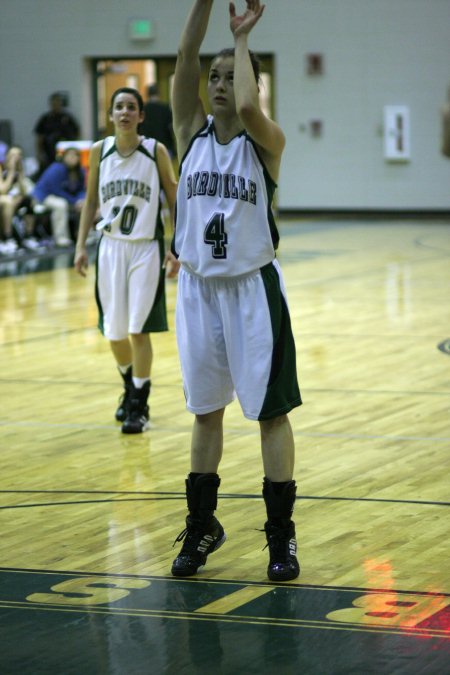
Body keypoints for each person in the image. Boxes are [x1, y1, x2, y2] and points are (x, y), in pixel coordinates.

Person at [170, 0, 302, 582]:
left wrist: (243, 39)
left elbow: (249, 105)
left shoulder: (265, 141)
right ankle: (202, 527)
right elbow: (183, 60)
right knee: (206, 413)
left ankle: (281, 538)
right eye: (215, 77)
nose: (221, 85)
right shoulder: (186, 133)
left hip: (253, 293)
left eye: (231, 76)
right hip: (199, 291)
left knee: (270, 416)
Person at [74, 87, 179, 434]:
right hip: (110, 247)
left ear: (141, 116)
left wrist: (175, 246)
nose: (125, 112)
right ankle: (129, 386)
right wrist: (79, 246)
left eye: (131, 107)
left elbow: (175, 200)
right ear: (110, 115)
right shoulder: (99, 151)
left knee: (137, 329)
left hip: (145, 249)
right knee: (114, 332)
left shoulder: (155, 151)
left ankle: (140, 403)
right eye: (118, 107)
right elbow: (90, 202)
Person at [33, 147, 86, 246]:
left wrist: (80, 200)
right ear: (64, 157)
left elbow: (82, 189)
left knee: (85, 204)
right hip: (45, 195)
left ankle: (85, 236)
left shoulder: (80, 171)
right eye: (70, 155)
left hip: (67, 198)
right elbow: (56, 190)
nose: (73, 158)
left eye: (75, 155)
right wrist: (74, 201)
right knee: (61, 205)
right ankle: (61, 238)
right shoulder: (56, 169)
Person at [0, 145, 40, 254]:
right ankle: (7, 238)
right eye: (13, 155)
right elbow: (3, 190)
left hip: (14, 201)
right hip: (5, 202)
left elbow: (24, 191)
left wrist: (21, 173)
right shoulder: (1, 168)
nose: (16, 158)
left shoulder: (19, 171)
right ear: (7, 156)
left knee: (28, 200)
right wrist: (11, 172)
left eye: (18, 155)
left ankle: (28, 236)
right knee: (8, 202)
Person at [34, 92, 80, 175]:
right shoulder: (45, 119)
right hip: (49, 154)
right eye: (54, 103)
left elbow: (76, 133)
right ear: (50, 104)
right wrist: (40, 154)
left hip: (66, 153)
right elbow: (39, 137)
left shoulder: (67, 118)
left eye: (58, 102)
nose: (56, 105)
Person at [139, 84, 176, 159]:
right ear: (159, 93)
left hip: (146, 146)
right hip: (165, 146)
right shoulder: (165, 108)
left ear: (147, 94)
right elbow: (171, 128)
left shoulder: (143, 109)